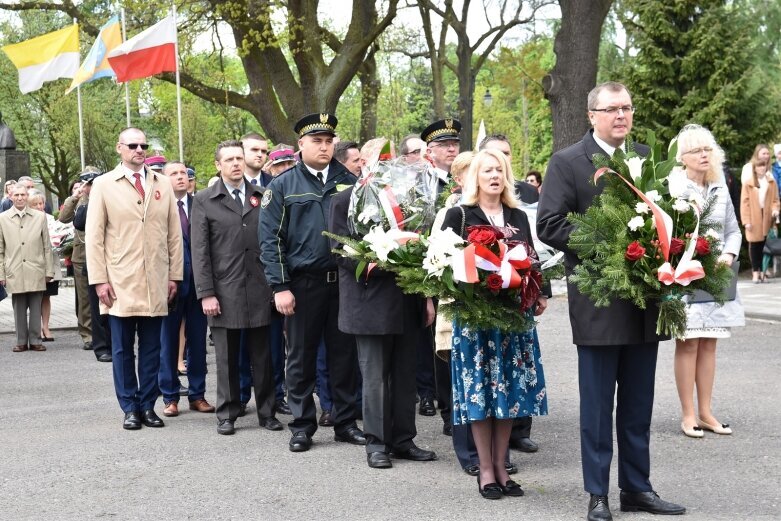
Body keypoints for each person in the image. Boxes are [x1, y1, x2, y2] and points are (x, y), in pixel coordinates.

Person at [537, 81, 686, 520]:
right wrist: (609, 241)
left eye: (627, 108)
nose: (621, 115)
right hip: (599, 305)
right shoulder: (567, 162)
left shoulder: (646, 159)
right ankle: (597, 493)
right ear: (592, 115)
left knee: (639, 407)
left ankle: (637, 488)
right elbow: (549, 224)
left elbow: (668, 217)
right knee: (598, 409)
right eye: (612, 109)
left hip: (644, 302)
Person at [440, 148, 548, 499]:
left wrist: (540, 292)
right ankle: (485, 469)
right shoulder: (459, 214)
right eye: (487, 170)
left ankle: (502, 466)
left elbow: (530, 260)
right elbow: (440, 263)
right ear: (475, 176)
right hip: (475, 321)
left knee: (508, 396)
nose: (494, 176)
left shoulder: (517, 215)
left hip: (514, 319)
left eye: (500, 170)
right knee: (480, 394)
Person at [259, 112, 365, 452]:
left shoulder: (349, 180)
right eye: (316, 141)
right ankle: (302, 425)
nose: (323, 146)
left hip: (345, 282)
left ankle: (345, 422)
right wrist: (280, 286)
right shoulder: (283, 185)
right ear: (301, 145)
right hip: (303, 283)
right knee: (301, 358)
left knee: (344, 356)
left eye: (328, 141)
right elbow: (271, 240)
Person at [329, 182, 438, 469]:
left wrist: (426, 298)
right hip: (369, 304)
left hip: (407, 300)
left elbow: (423, 246)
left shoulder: (408, 200)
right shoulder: (344, 200)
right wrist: (387, 254)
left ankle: (403, 440)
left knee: (405, 377)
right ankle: (376, 443)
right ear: (365, 164)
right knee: (375, 378)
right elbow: (340, 251)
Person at [86, 127, 183, 431]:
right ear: (120, 148)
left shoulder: (162, 183)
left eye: (143, 145)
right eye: (133, 145)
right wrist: (100, 280)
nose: (139, 150)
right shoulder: (103, 185)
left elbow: (174, 234)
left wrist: (174, 276)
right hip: (119, 281)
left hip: (156, 280)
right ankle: (129, 406)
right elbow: (94, 236)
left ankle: (148, 405)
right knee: (122, 349)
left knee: (153, 348)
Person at [192, 140, 281, 435]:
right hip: (224, 290)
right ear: (218, 165)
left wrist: (276, 285)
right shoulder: (205, 199)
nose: (236, 164)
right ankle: (227, 413)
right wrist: (206, 293)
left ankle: (267, 412)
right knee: (227, 358)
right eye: (229, 159)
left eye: (239, 158)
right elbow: (200, 251)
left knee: (264, 357)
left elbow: (273, 241)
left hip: (260, 288)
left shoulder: (262, 195)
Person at [672, 125, 745, 439]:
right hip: (686, 274)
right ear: (683, 157)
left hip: (716, 277)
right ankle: (688, 415)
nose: (703, 155)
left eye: (707, 150)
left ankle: (706, 411)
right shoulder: (675, 187)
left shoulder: (719, 185)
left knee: (710, 344)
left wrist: (728, 254)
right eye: (696, 151)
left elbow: (734, 230)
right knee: (688, 344)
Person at [159, 161, 215, 419]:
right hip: (169, 284)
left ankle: (197, 394)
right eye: (174, 173)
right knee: (168, 342)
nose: (181, 177)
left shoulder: (202, 204)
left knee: (198, 341)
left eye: (184, 173)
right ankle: (169, 396)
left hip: (199, 284)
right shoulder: (159, 206)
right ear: (163, 178)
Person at [240, 132, 289, 416]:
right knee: (243, 343)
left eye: (263, 150)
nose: (260, 155)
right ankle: (243, 394)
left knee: (273, 343)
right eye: (254, 150)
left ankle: (276, 395)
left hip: (270, 275)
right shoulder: (230, 186)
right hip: (241, 277)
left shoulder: (277, 185)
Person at [0, 184, 54, 352]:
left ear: (27, 196)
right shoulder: (2, 218)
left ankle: (36, 339)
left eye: (23, 194)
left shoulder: (40, 217)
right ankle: (21, 341)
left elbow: (47, 246)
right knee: (19, 307)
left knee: (36, 304)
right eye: (16, 195)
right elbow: (0, 248)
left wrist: (49, 270)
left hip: (36, 267)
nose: (20, 197)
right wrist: (1, 273)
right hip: (14, 268)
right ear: (11, 197)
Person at [70, 169, 112, 362]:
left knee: (116, 308)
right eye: (90, 184)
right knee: (96, 307)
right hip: (94, 260)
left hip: (116, 259)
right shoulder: (86, 203)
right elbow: (78, 223)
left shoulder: (113, 198)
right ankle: (101, 346)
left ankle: (117, 346)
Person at [27, 189, 68, 342]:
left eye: (41, 203)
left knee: (46, 296)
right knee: (34, 297)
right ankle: (35, 327)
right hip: (33, 262)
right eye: (35, 204)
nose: (39, 206)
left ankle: (46, 326)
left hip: (50, 262)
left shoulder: (50, 219)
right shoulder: (27, 220)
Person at [740, 151, 780, 283]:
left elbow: (775, 200)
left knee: (764, 245)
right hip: (753, 216)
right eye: (759, 166)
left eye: (764, 165)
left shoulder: (771, 182)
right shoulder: (749, 183)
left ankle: (763, 272)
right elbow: (744, 203)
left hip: (767, 216)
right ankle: (755, 272)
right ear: (755, 168)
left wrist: (775, 210)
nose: (762, 168)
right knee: (754, 245)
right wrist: (746, 221)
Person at [478, 134, 539, 205]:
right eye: (496, 153)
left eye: (506, 153)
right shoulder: (470, 192)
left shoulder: (530, 192)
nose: (502, 157)